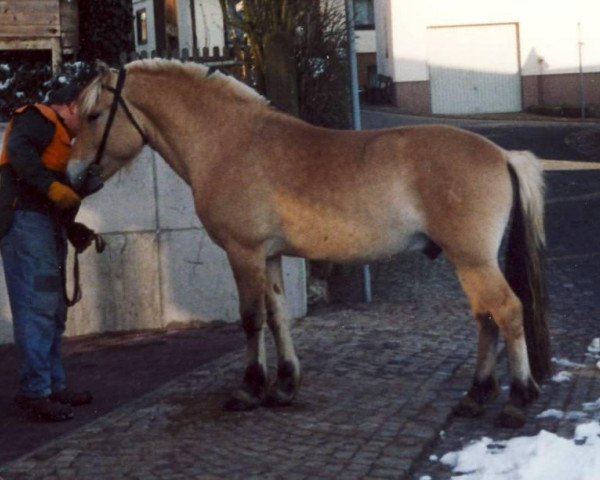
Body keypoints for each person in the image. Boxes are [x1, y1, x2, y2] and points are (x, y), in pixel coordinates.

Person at [0, 83, 97, 422]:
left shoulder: (61, 139)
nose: (86, 125)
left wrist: (72, 228)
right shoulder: (37, 119)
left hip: (42, 224)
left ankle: (52, 387)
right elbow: (18, 152)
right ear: (70, 107)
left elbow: (59, 197)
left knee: (51, 310)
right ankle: (35, 392)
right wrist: (52, 187)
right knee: (38, 307)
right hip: (25, 222)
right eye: (83, 116)